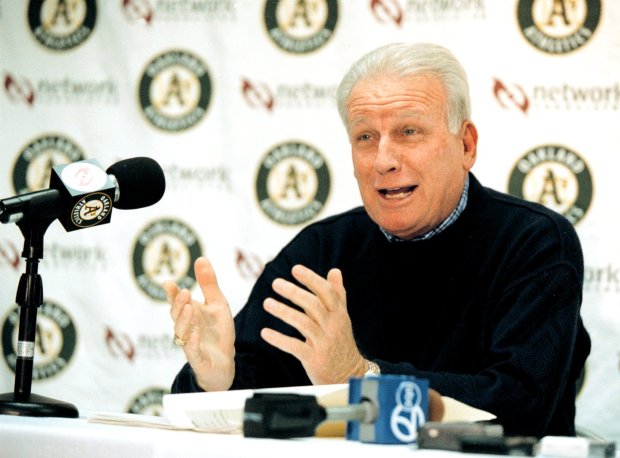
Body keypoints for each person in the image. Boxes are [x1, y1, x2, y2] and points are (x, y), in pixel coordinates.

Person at [164, 42, 590, 437]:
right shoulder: (319, 253)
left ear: (466, 144)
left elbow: (522, 405)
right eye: (365, 138)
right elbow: (254, 386)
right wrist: (217, 379)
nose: (384, 160)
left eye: (409, 132)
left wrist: (363, 379)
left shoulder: (535, 244)